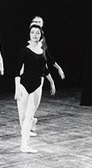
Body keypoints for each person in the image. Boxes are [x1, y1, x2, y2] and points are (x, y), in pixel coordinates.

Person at [14, 21, 64, 153]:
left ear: (41, 35)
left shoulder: (42, 50)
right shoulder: (25, 50)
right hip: (24, 85)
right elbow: (17, 71)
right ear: (29, 35)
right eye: (32, 33)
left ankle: (24, 144)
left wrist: (52, 82)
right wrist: (17, 89)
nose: (34, 35)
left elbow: (45, 69)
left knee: (29, 116)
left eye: (37, 33)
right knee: (23, 116)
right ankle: (24, 137)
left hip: (37, 86)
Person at [26, 16, 65, 136]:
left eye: (39, 22)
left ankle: (31, 121)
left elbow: (47, 58)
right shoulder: (28, 42)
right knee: (28, 104)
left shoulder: (42, 41)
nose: (36, 24)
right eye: (34, 22)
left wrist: (58, 68)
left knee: (35, 103)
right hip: (27, 76)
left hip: (40, 76)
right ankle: (26, 128)